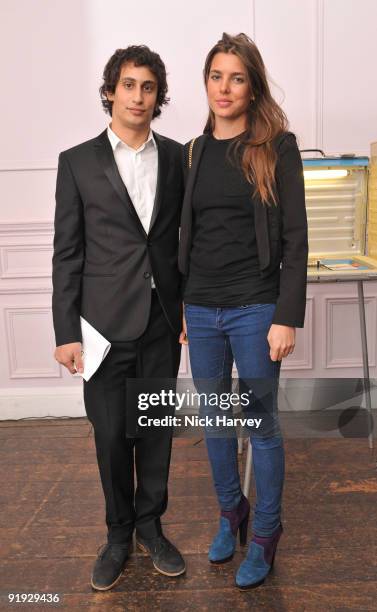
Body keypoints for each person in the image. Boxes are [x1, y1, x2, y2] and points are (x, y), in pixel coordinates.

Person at [52, 45, 185, 591]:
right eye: (129, 85)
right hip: (101, 328)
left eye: (148, 87)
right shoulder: (77, 161)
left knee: (155, 431)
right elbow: (67, 252)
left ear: (159, 96)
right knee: (110, 436)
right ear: (111, 90)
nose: (138, 96)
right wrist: (65, 333)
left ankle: (153, 526)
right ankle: (117, 534)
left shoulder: (179, 157)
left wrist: (186, 310)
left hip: (161, 321)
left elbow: (183, 241)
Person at [178, 33, 308, 589]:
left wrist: (287, 315)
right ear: (206, 82)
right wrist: (184, 306)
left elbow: (298, 239)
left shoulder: (277, 146)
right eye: (216, 76)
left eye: (236, 77)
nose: (224, 88)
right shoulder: (194, 150)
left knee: (259, 425)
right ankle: (232, 515)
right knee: (214, 423)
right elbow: (189, 233)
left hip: (256, 308)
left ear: (251, 86)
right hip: (201, 308)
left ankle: (265, 534)